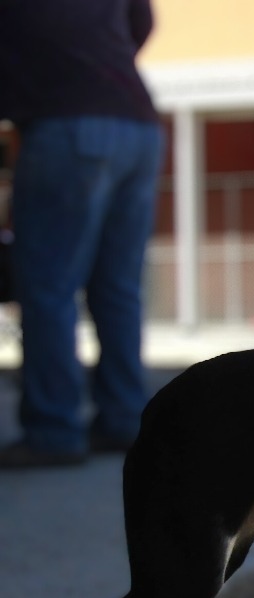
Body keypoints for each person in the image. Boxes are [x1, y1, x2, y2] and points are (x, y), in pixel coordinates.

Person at [0, 0, 164, 468]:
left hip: (67, 121)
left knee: (49, 285)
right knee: (117, 287)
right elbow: (142, 20)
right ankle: (123, 418)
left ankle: (53, 429)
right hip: (138, 122)